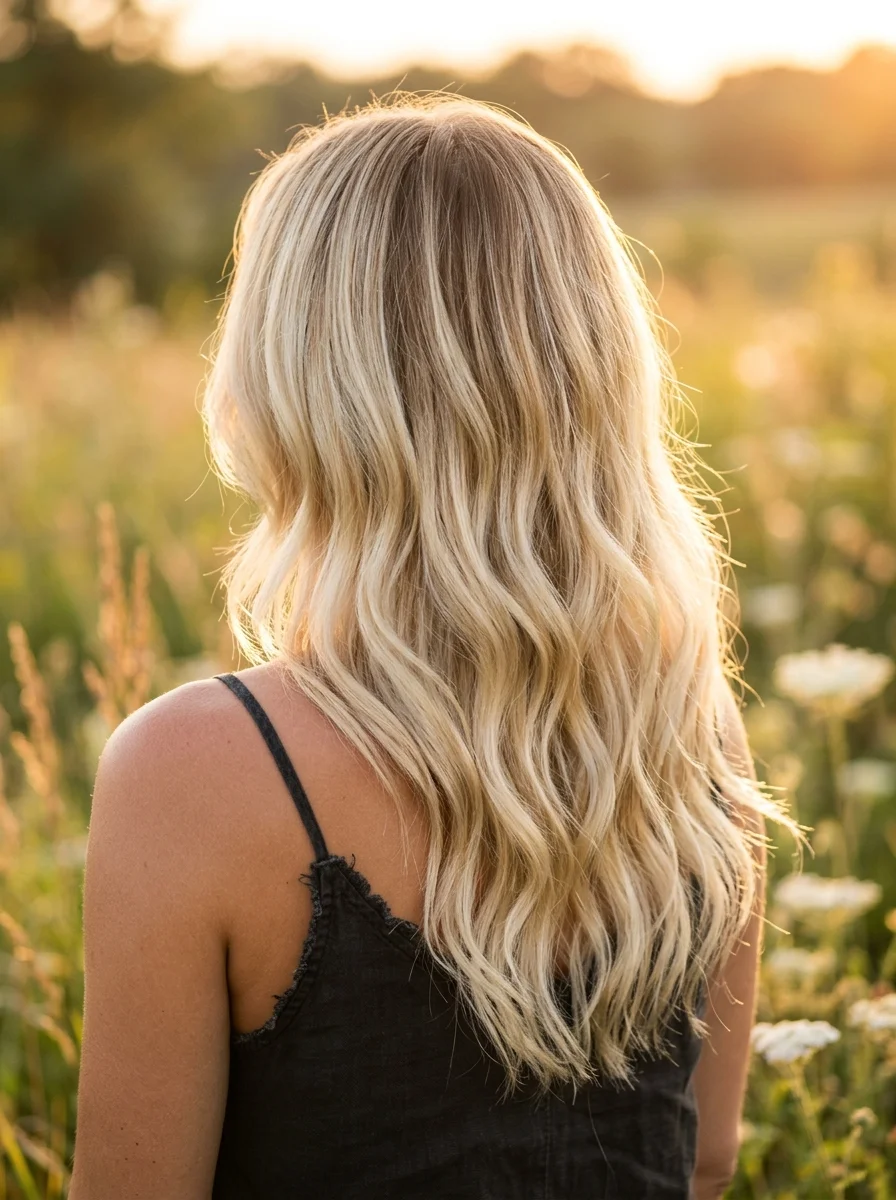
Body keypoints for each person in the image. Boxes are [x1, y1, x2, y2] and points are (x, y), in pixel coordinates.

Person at [70, 92, 797, 1199]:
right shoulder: (691, 730)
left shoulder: (193, 774)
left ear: (284, 381)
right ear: (596, 370)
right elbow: (700, 1162)